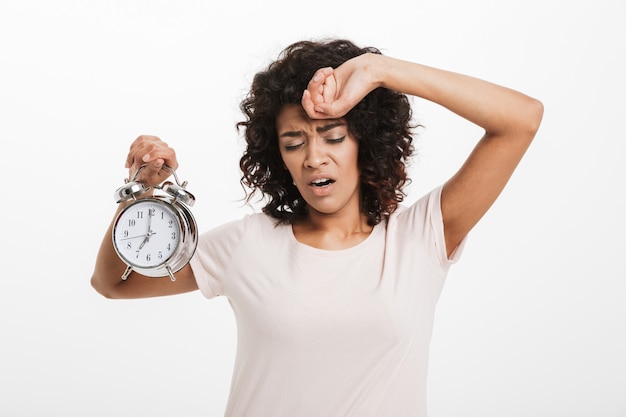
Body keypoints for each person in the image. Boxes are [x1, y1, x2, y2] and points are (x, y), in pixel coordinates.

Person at [91, 39, 543, 417]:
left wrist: (378, 70)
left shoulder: (420, 238)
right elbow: (113, 283)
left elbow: (520, 119)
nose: (313, 157)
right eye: (294, 142)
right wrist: (141, 193)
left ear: (366, 141)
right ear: (278, 157)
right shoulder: (248, 243)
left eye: (333, 136)